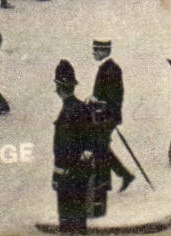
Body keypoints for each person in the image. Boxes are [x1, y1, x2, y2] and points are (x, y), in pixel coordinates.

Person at [51, 59, 97, 233]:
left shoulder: (66, 115)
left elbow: (63, 149)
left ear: (59, 88)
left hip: (68, 175)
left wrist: (57, 174)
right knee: (79, 218)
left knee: (67, 220)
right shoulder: (83, 108)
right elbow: (91, 140)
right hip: (82, 172)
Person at [90, 38, 134, 194]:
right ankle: (123, 176)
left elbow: (113, 97)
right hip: (104, 116)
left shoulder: (111, 70)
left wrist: (96, 101)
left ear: (104, 51)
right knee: (101, 147)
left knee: (100, 147)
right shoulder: (107, 68)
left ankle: (105, 183)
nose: (93, 53)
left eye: (96, 50)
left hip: (107, 117)